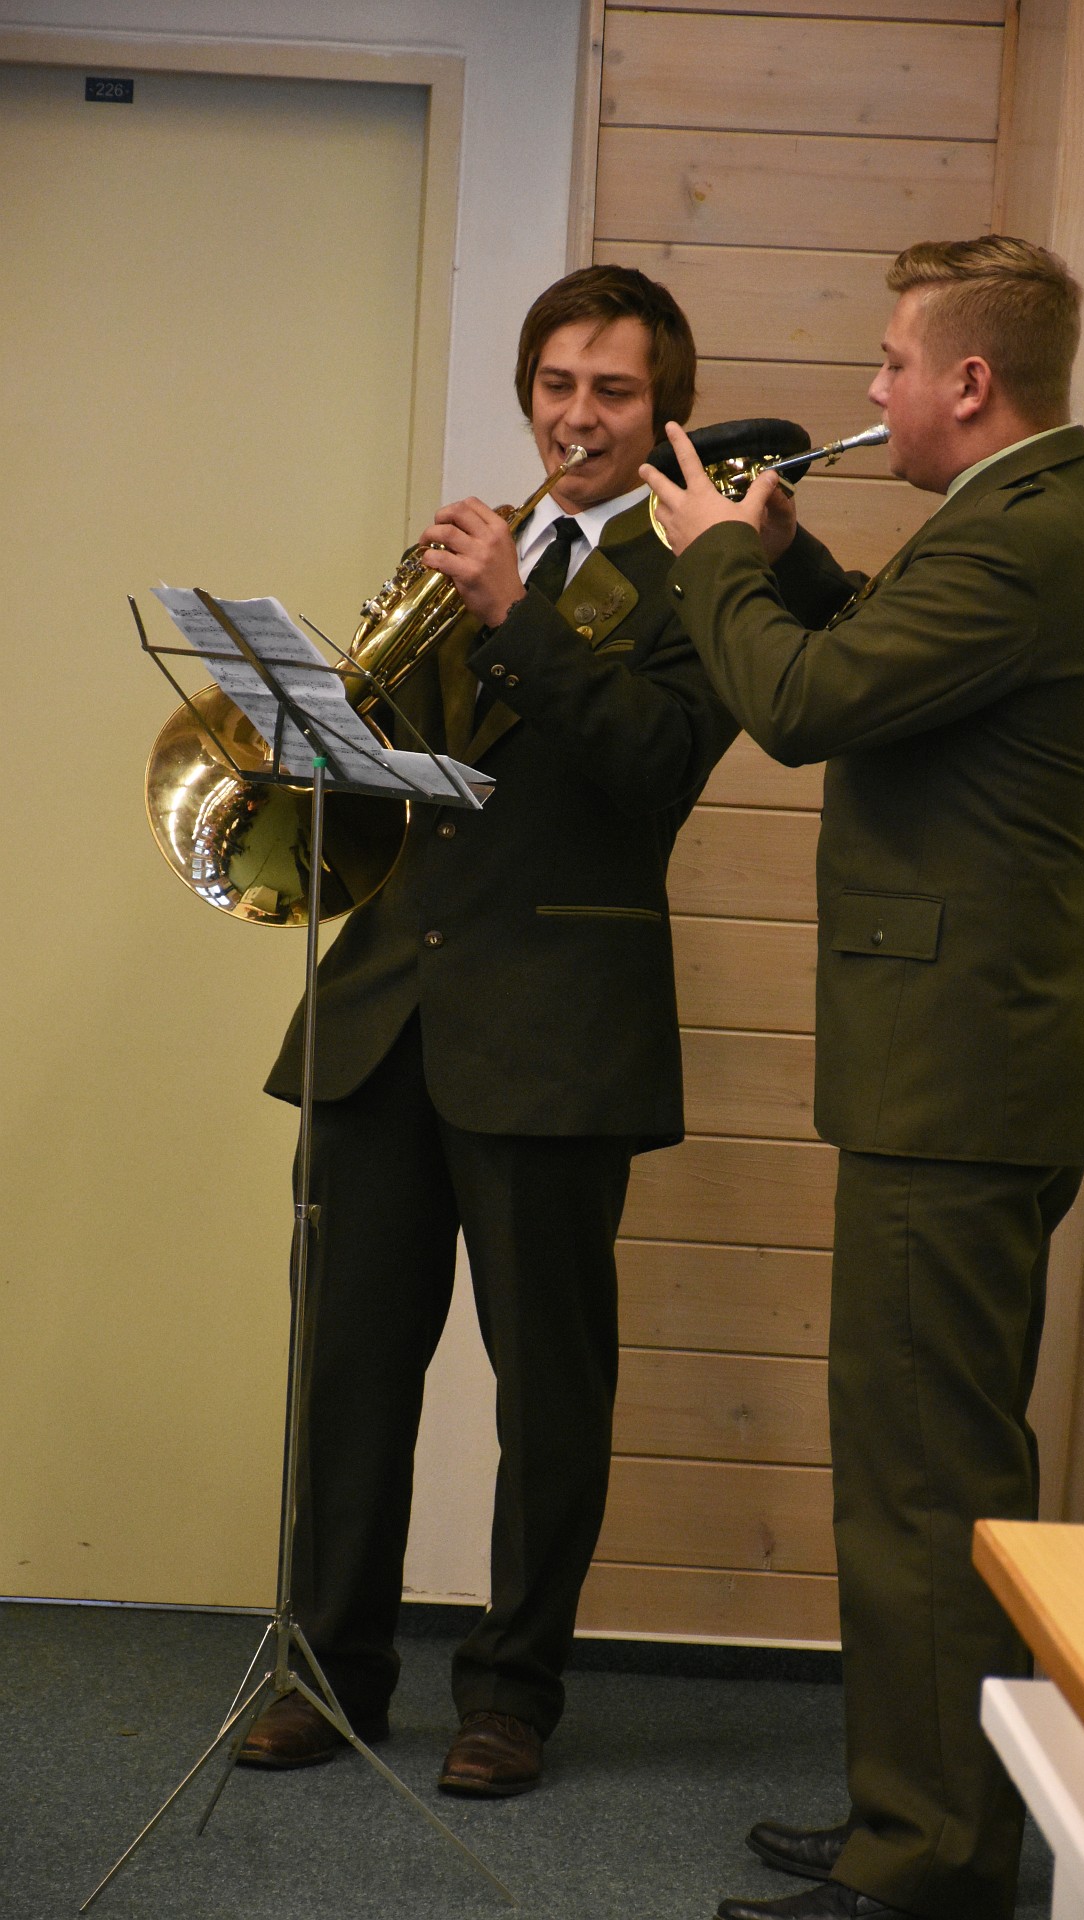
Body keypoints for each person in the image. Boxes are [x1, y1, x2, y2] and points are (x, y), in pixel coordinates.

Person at [642, 236, 1084, 1920]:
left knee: (923, 1486)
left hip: (962, 1081)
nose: (869, 391)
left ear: (969, 382)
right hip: (976, 1068)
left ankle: (927, 1862)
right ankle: (921, 1815)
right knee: (932, 1472)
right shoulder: (1052, 515)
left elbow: (804, 707)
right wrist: (788, 562)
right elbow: (882, 653)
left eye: (889, 363)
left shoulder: (1021, 538)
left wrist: (712, 564)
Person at [239, 264, 737, 1794]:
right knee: (347, 1377)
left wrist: (516, 617)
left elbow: (655, 765)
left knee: (551, 1391)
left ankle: (512, 1695)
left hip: (558, 1033)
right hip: (385, 1018)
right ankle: (331, 1669)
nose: (577, 417)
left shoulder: (705, 574)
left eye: (613, 392)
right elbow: (396, 792)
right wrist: (317, 728)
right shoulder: (462, 557)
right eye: (557, 385)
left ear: (665, 412)